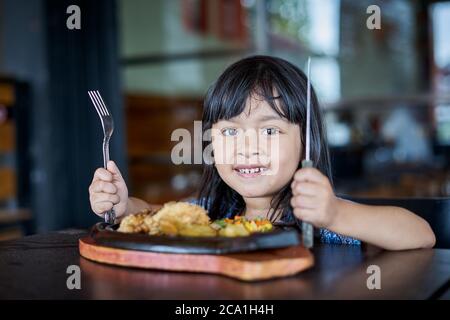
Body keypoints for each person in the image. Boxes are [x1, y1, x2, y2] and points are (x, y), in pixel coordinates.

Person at [88, 55, 435, 250]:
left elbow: (421, 234)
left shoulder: (321, 217)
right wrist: (122, 205)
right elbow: (154, 214)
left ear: (307, 142)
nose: (246, 146)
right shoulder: (208, 214)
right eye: (229, 131)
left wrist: (334, 215)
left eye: (269, 130)